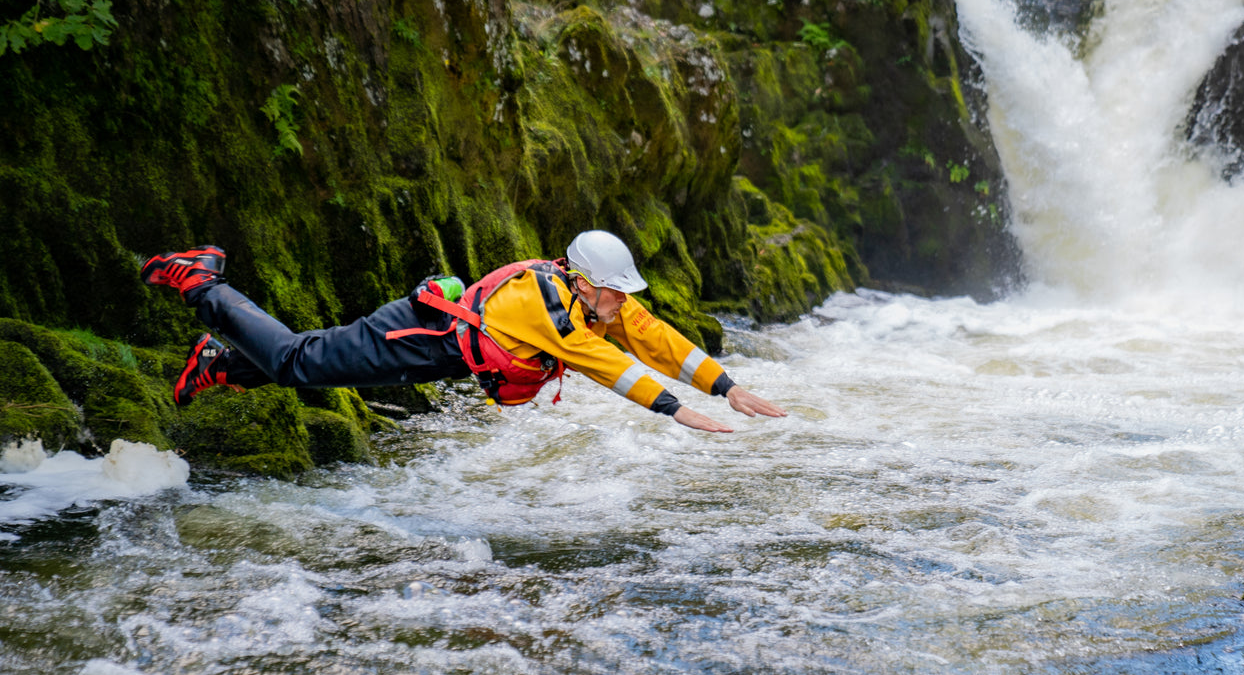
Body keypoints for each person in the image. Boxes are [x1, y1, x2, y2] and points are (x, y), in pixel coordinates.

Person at [139, 231, 786, 433]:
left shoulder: (597, 300)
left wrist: (724, 386)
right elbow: (604, 364)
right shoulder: (554, 308)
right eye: (614, 290)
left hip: (437, 354)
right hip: (417, 334)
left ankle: (218, 363)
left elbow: (654, 339)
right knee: (297, 362)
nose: (622, 302)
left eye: (623, 292)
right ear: (584, 279)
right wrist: (676, 409)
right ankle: (204, 284)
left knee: (310, 366)